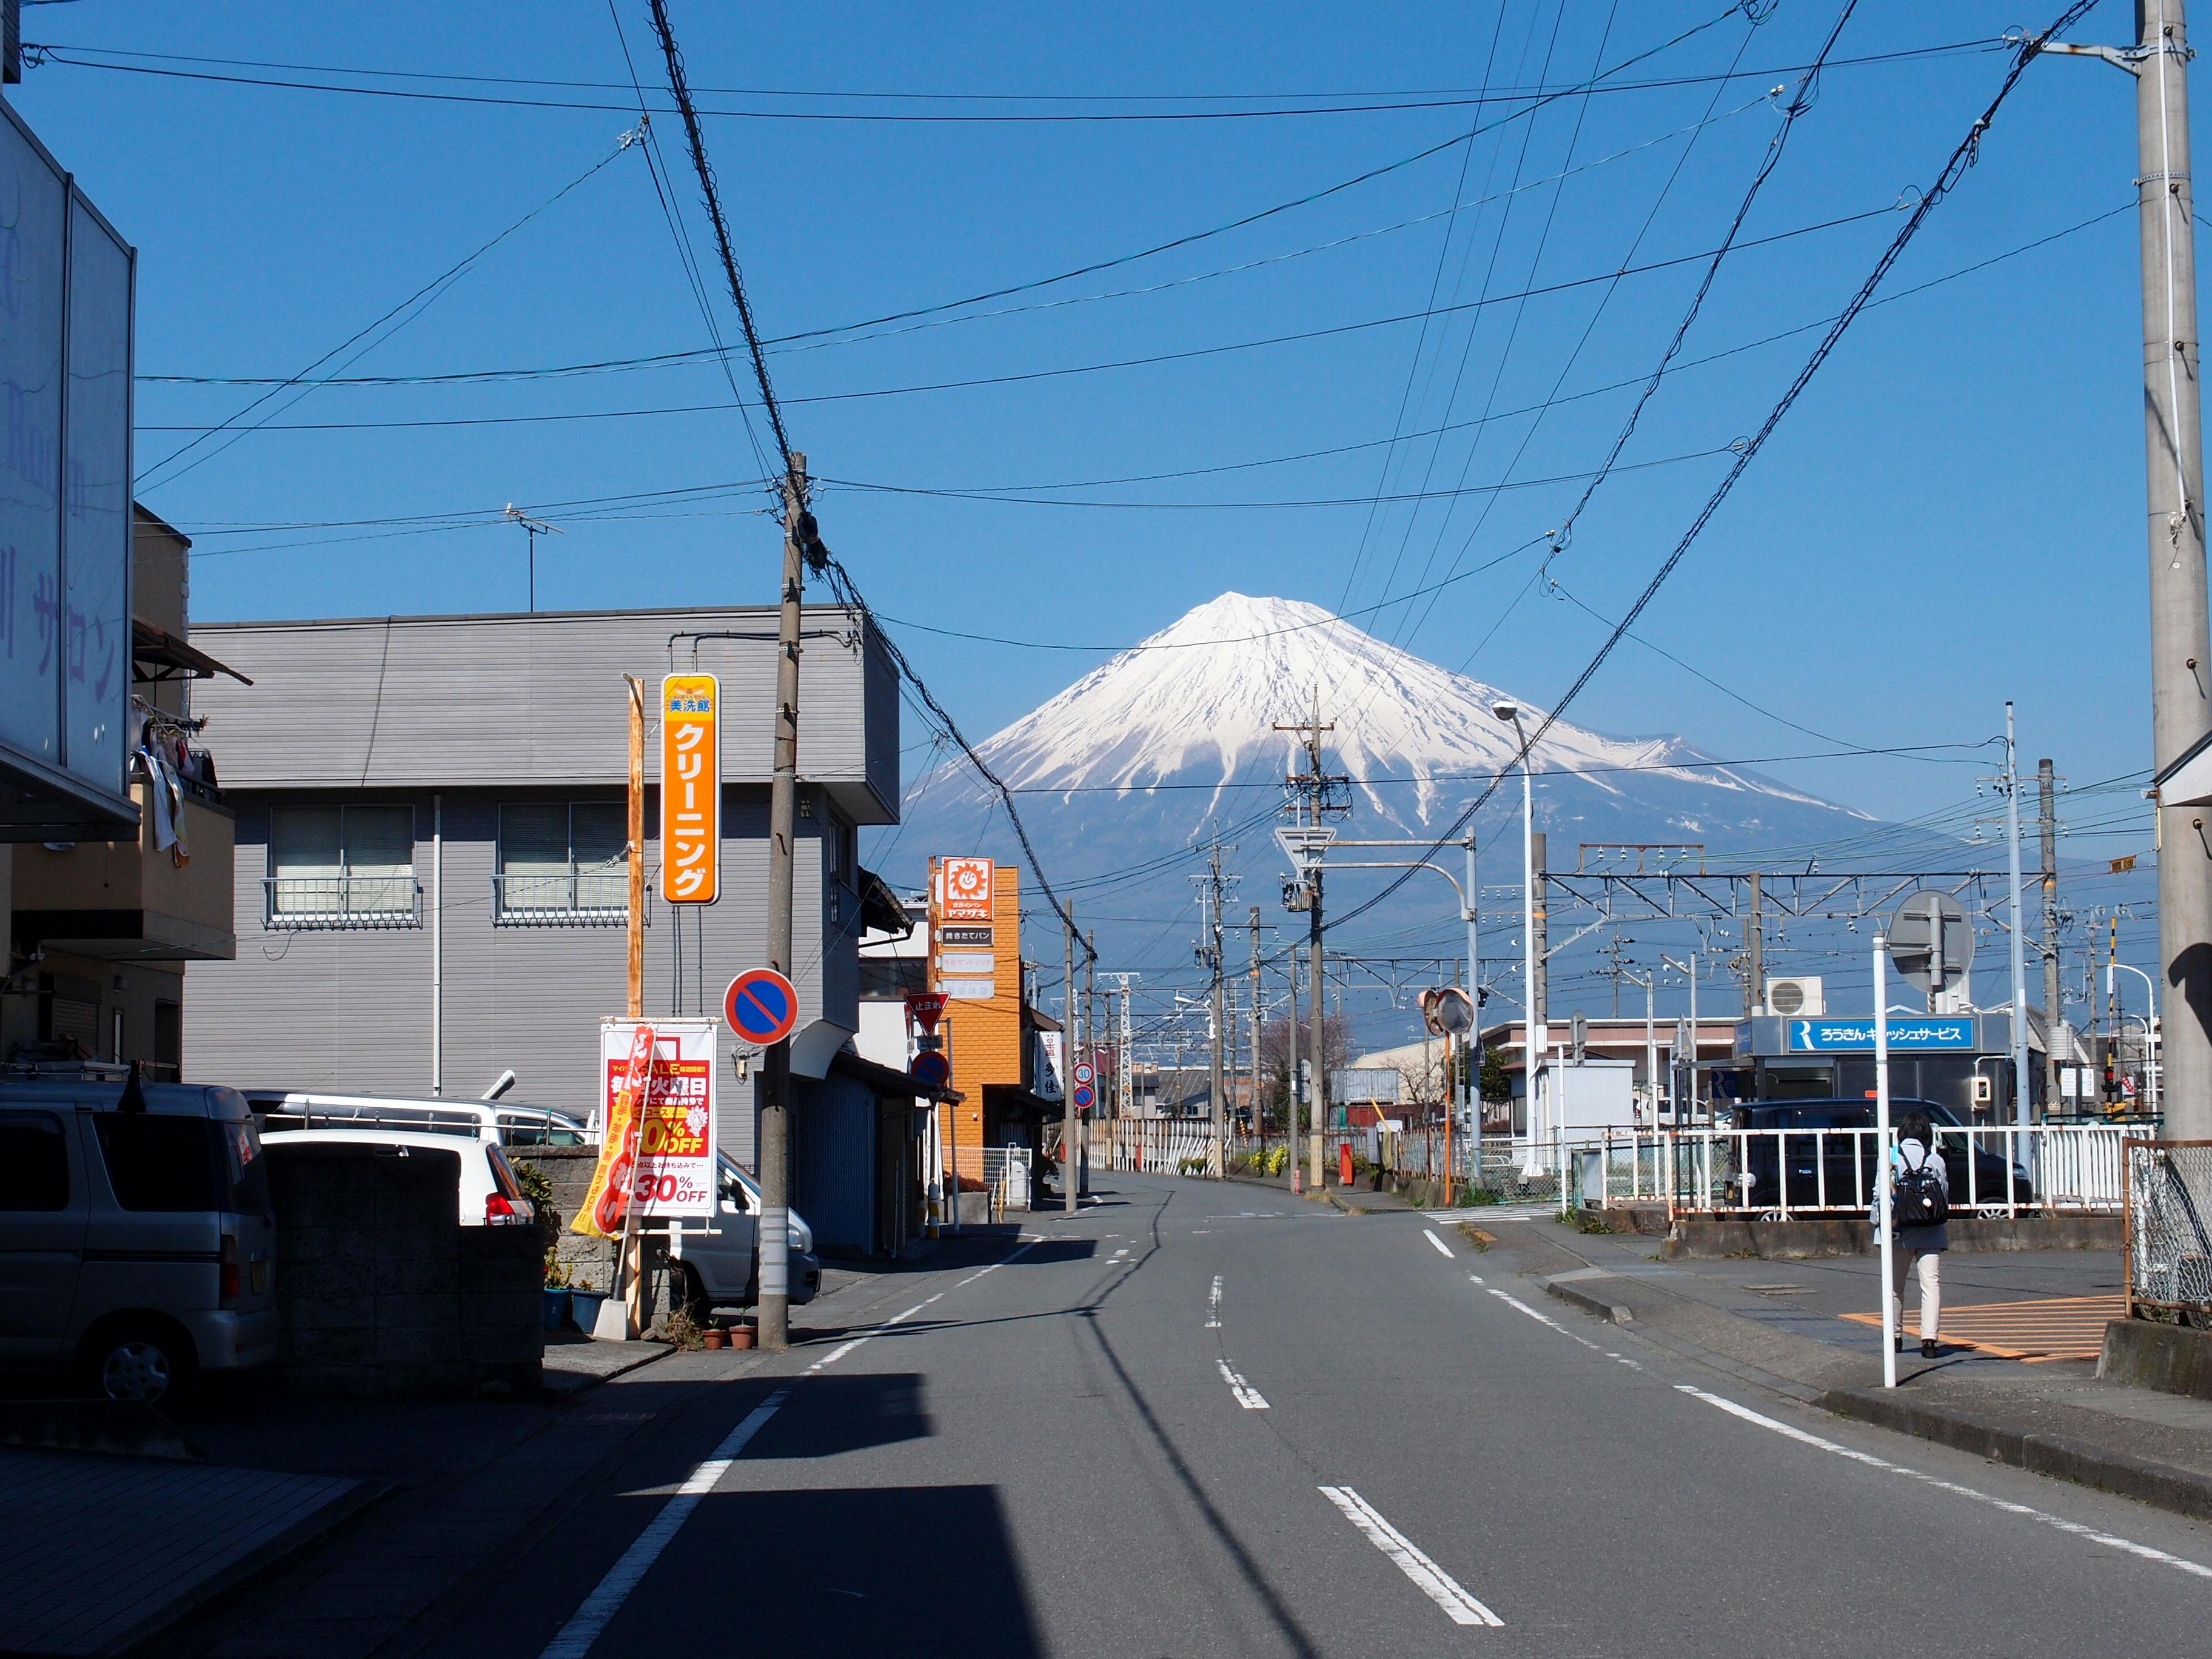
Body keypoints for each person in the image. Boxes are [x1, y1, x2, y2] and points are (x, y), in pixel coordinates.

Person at [1886, 1111, 1949, 1358]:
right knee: (1930, 1285)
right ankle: (1930, 1341)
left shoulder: (1892, 1157)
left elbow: (1882, 1195)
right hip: (1931, 1230)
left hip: (1900, 1231)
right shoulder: (1935, 1160)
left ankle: (1895, 1338)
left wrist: (1880, 1224)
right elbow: (1943, 1193)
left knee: (1895, 1287)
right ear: (1926, 1134)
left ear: (1901, 1133)